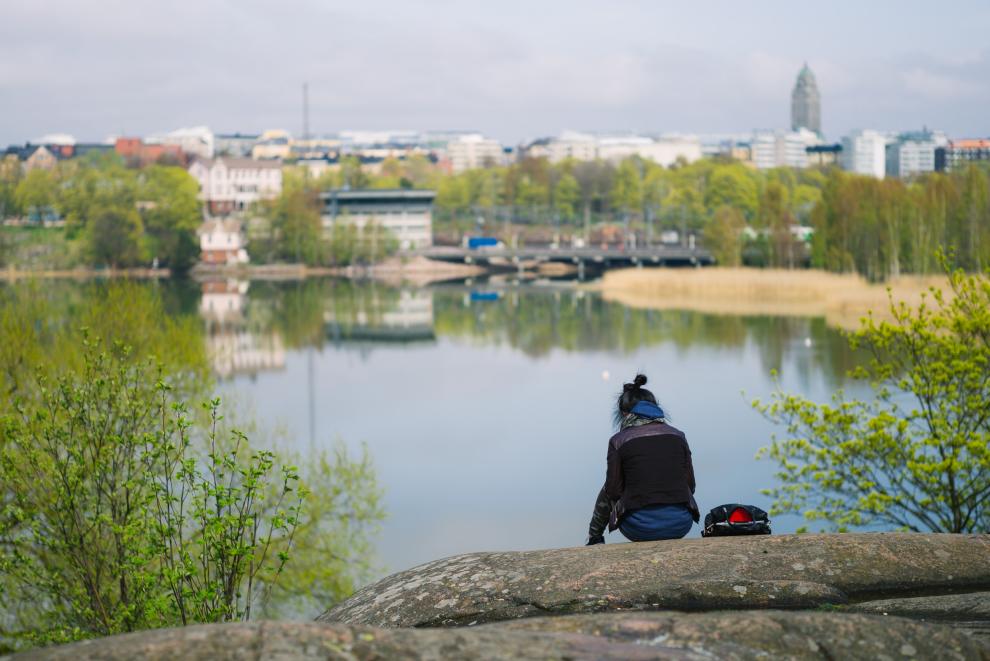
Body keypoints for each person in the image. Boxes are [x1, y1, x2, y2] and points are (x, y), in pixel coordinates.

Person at [586, 374, 699, 544]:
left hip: (639, 527)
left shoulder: (618, 441)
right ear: (655, 408)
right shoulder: (679, 436)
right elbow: (690, 485)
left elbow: (613, 491)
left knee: (607, 488)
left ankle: (595, 538)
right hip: (681, 524)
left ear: (624, 414)